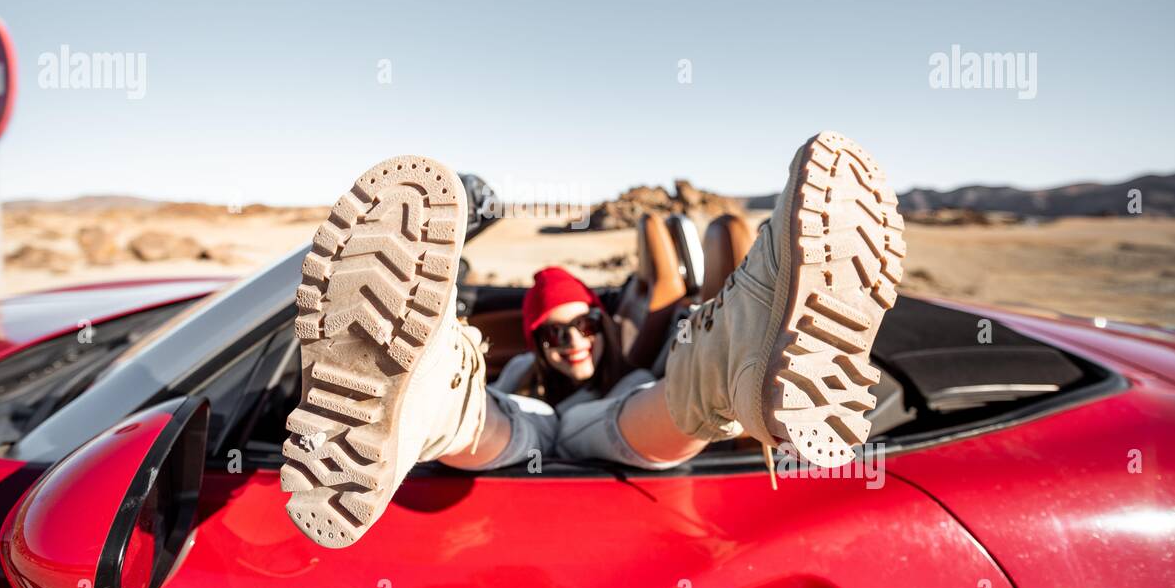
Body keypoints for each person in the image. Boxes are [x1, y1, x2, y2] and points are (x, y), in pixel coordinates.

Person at [281, 131, 906, 549]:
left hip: (617, 423)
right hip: (525, 428)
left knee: (628, 410)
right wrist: (520, 384)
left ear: (603, 325)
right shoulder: (524, 370)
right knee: (513, 421)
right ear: (535, 339)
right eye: (553, 333)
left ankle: (731, 368)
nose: (573, 341)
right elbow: (515, 411)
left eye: (584, 324)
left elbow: (631, 407)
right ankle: (426, 405)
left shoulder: (629, 373)